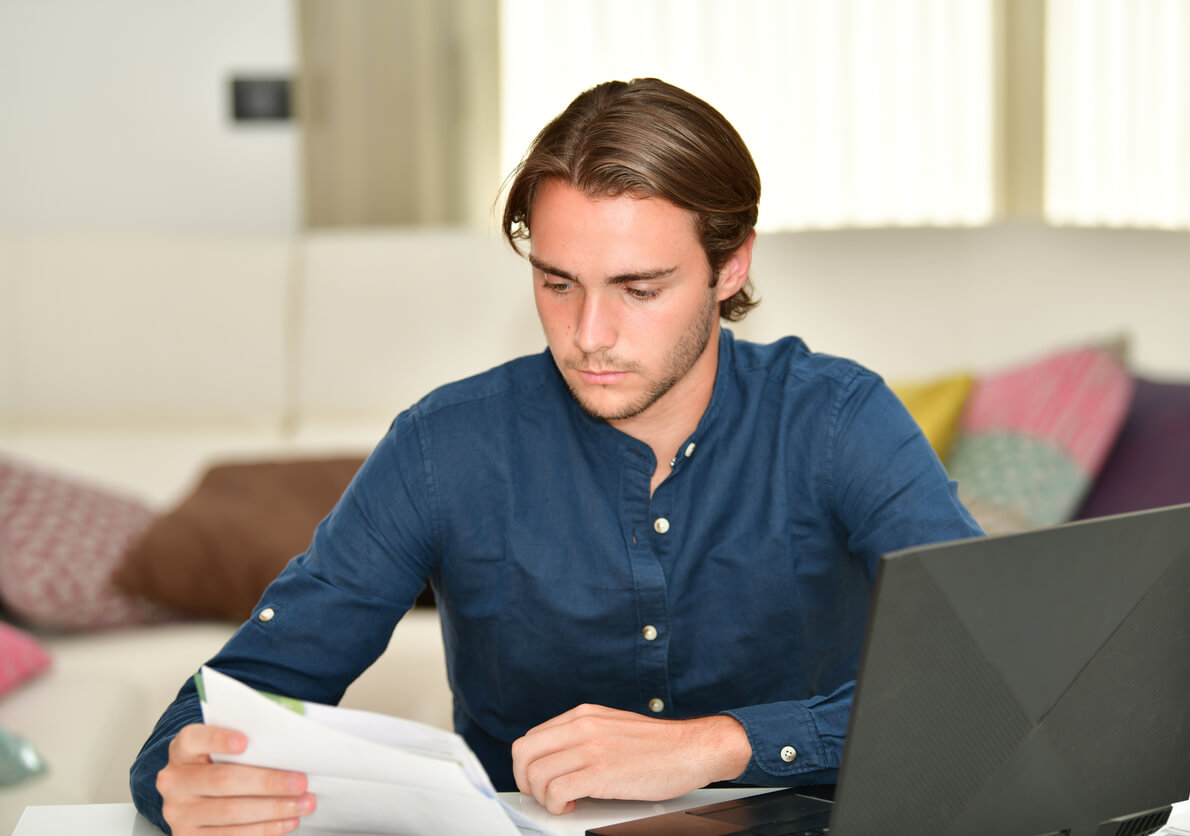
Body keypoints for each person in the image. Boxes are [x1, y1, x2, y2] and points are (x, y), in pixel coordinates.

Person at [131, 77, 982, 835]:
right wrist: (187, 779)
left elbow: (988, 674)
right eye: (557, 282)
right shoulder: (443, 445)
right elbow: (225, 705)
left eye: (639, 290)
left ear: (731, 266)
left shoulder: (838, 418)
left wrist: (718, 745)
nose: (589, 337)